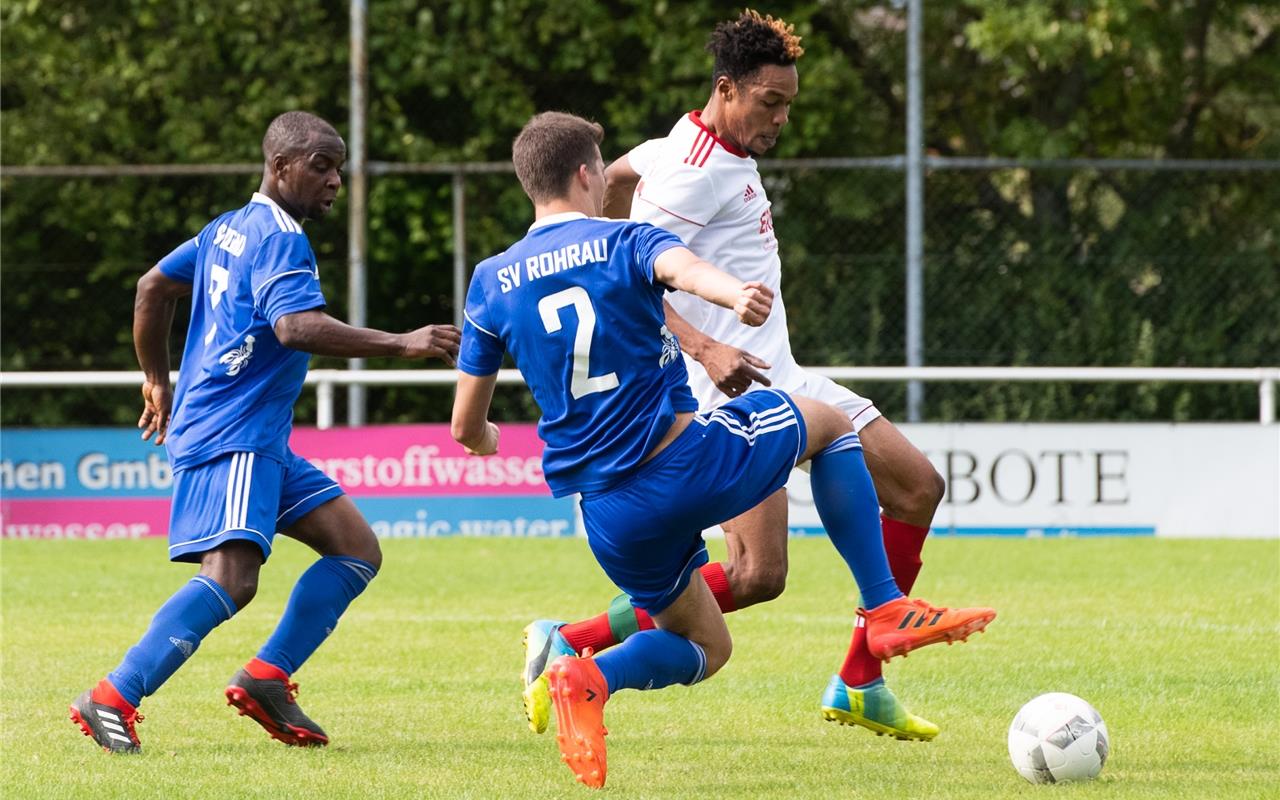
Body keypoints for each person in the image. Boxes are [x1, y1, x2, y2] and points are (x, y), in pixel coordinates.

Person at [454, 110, 993, 788]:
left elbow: (464, 427)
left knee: (709, 644)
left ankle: (586, 673)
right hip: (683, 466)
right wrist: (735, 294)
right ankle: (883, 603)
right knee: (827, 424)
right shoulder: (625, 241)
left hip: (607, 518)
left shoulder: (490, 280)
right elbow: (682, 269)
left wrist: (489, 439)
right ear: (586, 173)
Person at [522, 9, 950, 744]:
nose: (781, 118)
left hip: (785, 373)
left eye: (789, 103)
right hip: (727, 391)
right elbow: (618, 277)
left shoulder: (674, 149)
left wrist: (613, 209)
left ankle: (861, 678)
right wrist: (704, 346)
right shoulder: (690, 175)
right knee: (755, 575)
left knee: (916, 487)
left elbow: (619, 179)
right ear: (727, 89)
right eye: (770, 103)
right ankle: (573, 639)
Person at [69, 111, 461, 754]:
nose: (335, 179)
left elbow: (152, 288)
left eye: (339, 167)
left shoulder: (228, 228)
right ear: (280, 167)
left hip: (256, 437)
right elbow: (295, 327)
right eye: (321, 166)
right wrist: (403, 341)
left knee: (356, 548)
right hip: (234, 432)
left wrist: (157, 381)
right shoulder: (280, 237)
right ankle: (113, 696)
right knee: (232, 578)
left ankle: (268, 677)